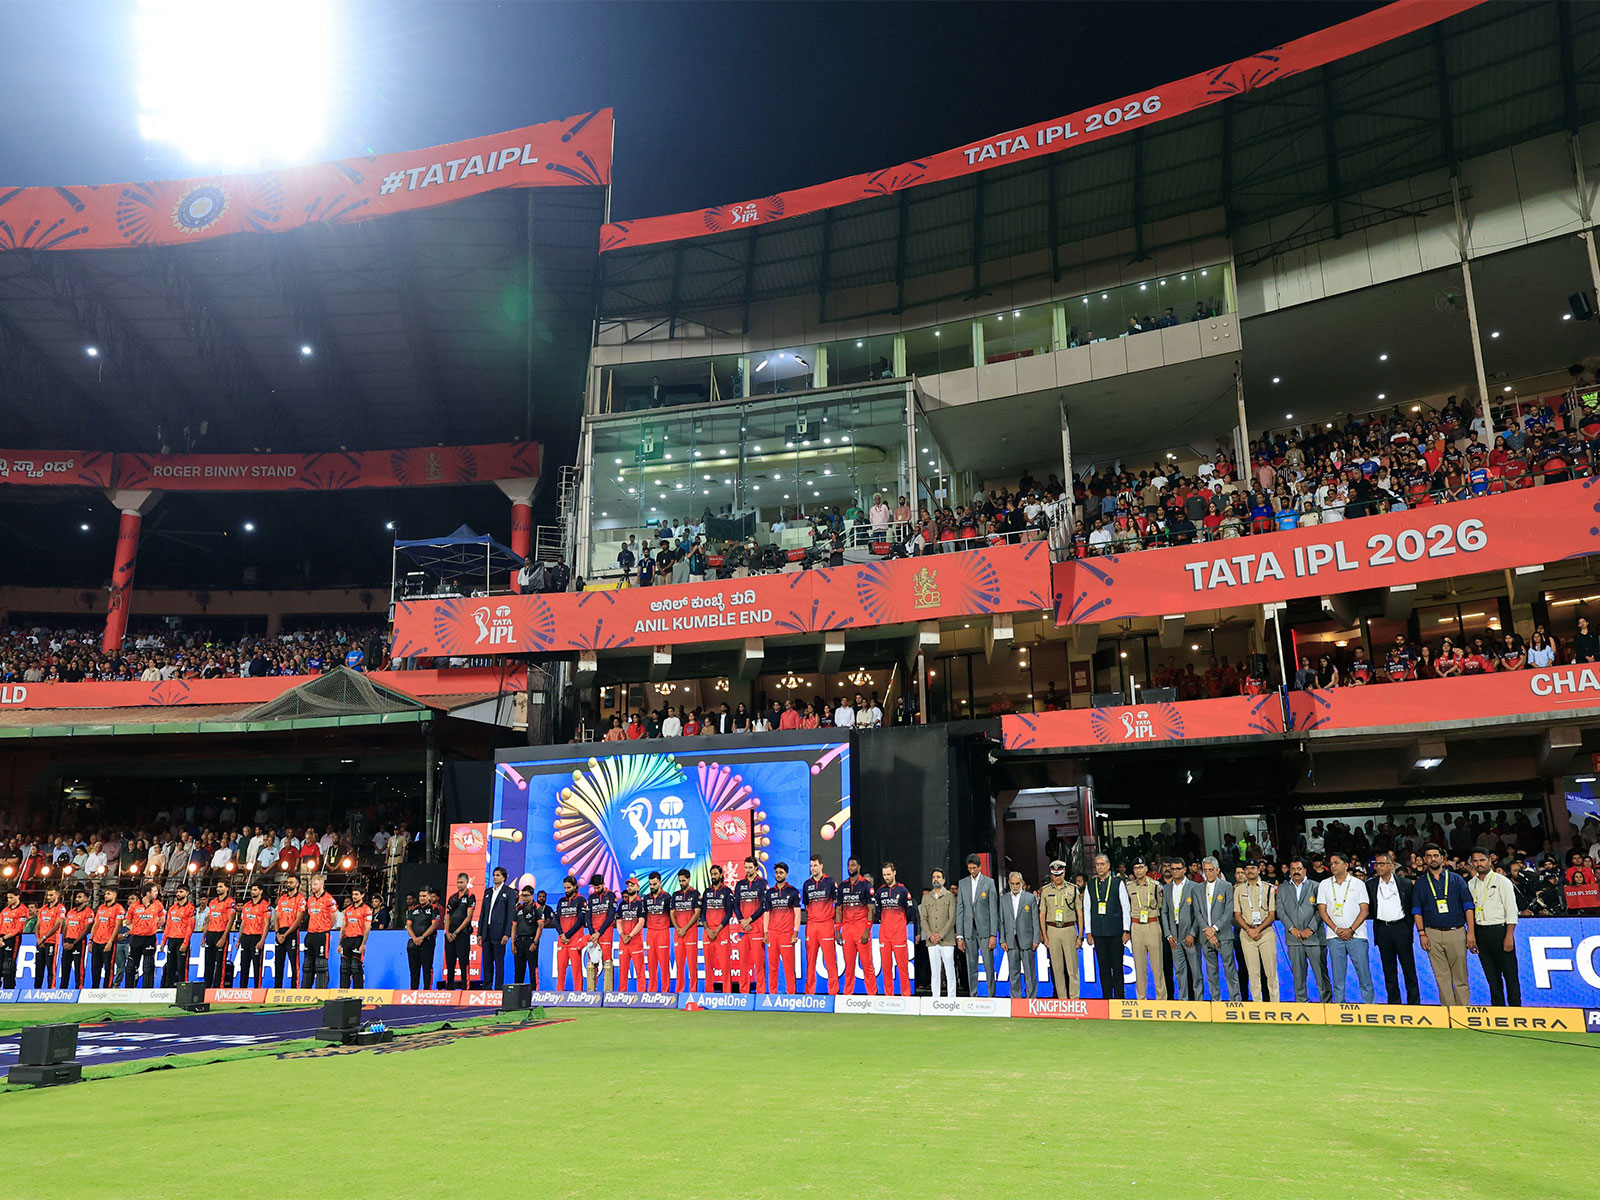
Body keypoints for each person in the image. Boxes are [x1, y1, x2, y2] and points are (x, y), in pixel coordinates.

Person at [1413, 842, 1476, 1005]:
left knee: (1460, 976)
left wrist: (1471, 933)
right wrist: (1421, 933)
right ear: (1424, 859)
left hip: (1456, 932)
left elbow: (1468, 907)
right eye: (1429, 856)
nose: (1433, 859)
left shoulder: (1456, 879)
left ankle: (1463, 1012)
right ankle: (1449, 1012)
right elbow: (1417, 910)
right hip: (1431, 933)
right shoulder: (1421, 882)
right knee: (1441, 977)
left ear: (1443, 858)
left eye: (1436, 856)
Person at [1317, 851, 1374, 1003]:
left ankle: (1370, 1007)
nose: (1333, 866)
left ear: (1346, 865)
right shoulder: (1324, 884)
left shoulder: (1358, 884)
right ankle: (1339, 1007)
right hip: (1334, 936)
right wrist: (1336, 929)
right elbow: (1322, 910)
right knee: (1338, 977)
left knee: (1364, 975)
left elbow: (1365, 910)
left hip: (1357, 935)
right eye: (1331, 863)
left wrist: (1351, 930)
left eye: (1336, 862)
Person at [1468, 848, 1520, 1006]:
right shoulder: (1471, 884)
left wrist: (1509, 936)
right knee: (1492, 977)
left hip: (1500, 931)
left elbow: (1511, 910)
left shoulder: (1502, 881)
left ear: (1490, 861)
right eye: (1475, 861)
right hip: (1481, 932)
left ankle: (1516, 1010)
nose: (1479, 864)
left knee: (1510, 976)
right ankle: (1498, 1010)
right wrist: (1472, 935)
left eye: (1482, 860)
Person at [1367, 851, 1419, 1004]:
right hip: (1383, 929)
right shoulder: (1370, 885)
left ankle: (1414, 1003)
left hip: (1401, 928)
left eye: (1381, 864)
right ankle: (1394, 1003)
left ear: (1391, 865)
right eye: (1376, 864)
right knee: (1389, 969)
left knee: (1408, 968)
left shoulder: (1405, 884)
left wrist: (1409, 928)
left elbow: (1411, 907)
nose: (1378, 867)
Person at [1278, 858, 1329, 1002]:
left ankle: (1326, 1004)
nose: (1296, 872)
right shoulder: (1282, 888)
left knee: (1321, 975)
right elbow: (1280, 911)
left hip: (1314, 938)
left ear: (1305, 870)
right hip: (1294, 939)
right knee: (1298, 976)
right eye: (1293, 869)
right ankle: (1301, 1004)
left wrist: (1310, 929)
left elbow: (1321, 910)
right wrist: (1292, 929)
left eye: (1299, 869)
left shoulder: (1316, 886)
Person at [1084, 853, 1131, 999]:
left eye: (1102, 864)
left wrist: (1126, 929)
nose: (1100, 867)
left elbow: (1125, 907)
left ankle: (1119, 996)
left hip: (1116, 931)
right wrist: (1089, 932)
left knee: (1117, 966)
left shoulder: (1117, 883)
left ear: (1109, 866)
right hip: (1098, 932)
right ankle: (1106, 997)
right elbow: (1087, 908)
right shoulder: (1090, 884)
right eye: (1097, 865)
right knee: (1103, 967)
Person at [955, 853, 1000, 997]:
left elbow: (993, 910)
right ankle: (973, 995)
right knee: (971, 965)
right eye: (970, 868)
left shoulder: (989, 883)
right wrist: (960, 935)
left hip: (985, 930)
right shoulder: (963, 883)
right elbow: (960, 910)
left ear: (980, 867)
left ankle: (991, 995)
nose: (972, 871)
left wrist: (993, 934)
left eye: (974, 868)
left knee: (988, 965)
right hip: (969, 930)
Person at [1233, 860, 1278, 1002]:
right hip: (1247, 934)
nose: (1250, 871)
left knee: (1271, 972)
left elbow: (1272, 915)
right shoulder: (1239, 890)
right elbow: (1237, 914)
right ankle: (1257, 1005)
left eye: (1253, 868)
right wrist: (1249, 930)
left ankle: (1275, 1005)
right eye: (1247, 868)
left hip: (1265, 932)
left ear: (1259, 870)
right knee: (1253, 973)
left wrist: (1258, 929)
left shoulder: (1268, 888)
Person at [1037, 858, 1082, 1000]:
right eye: (1054, 874)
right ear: (1051, 874)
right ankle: (1062, 999)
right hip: (1052, 929)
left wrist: (1080, 936)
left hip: (1069, 928)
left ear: (1064, 873)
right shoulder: (1045, 890)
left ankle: (1074, 999)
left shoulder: (1072, 889)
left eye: (1060, 874)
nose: (1057, 877)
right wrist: (1044, 935)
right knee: (1057, 968)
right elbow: (1042, 914)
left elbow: (1079, 913)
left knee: (1072, 968)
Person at [1196, 857, 1240, 1000]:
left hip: (1224, 935)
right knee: (1211, 972)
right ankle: (1216, 1001)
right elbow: (1197, 912)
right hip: (1205, 937)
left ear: (1218, 870)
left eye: (1211, 870)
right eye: (1205, 870)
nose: (1208, 873)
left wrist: (1214, 929)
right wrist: (1208, 932)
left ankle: (1235, 1000)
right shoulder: (1198, 888)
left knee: (1230, 970)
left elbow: (1228, 911)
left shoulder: (1226, 886)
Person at [1161, 857, 1203, 1000]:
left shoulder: (1195, 887)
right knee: (1179, 971)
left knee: (1196, 971)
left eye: (1178, 869)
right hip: (1174, 935)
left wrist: (1192, 933)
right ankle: (1183, 1000)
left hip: (1190, 935)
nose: (1175, 871)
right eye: (1172, 869)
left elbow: (1198, 913)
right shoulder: (1167, 888)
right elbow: (1164, 912)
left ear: (1184, 870)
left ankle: (1198, 1000)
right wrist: (1168, 935)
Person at [1124, 857, 1164, 1000]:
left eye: (1141, 867)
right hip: (1136, 926)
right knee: (1139, 966)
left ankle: (1161, 999)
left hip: (1152, 924)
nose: (1138, 871)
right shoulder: (1129, 887)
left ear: (1146, 868)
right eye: (1135, 868)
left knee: (1157, 966)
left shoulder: (1155, 886)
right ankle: (1141, 998)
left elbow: (1161, 906)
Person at [836, 857, 877, 995]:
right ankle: (847, 995)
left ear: (859, 867)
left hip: (861, 928)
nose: (850, 867)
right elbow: (839, 909)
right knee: (848, 965)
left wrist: (867, 930)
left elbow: (871, 910)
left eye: (853, 865)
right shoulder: (842, 886)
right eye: (849, 865)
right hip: (847, 929)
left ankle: (872, 995)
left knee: (867, 964)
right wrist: (838, 930)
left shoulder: (866, 885)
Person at [874, 862, 914, 996]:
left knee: (903, 967)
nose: (886, 877)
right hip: (884, 935)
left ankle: (906, 995)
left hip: (899, 935)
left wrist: (900, 924)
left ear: (894, 873)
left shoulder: (903, 891)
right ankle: (888, 996)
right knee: (886, 968)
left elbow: (910, 912)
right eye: (884, 875)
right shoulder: (880, 891)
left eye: (888, 874)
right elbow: (877, 911)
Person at [997, 871, 1040, 998]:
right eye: (1012, 884)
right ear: (1009, 883)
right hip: (1010, 940)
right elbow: (1001, 921)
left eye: (1017, 883)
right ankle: (1016, 999)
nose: (1015, 886)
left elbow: (1035, 920)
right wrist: (1002, 939)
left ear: (1022, 883)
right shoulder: (1003, 899)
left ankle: (1031, 998)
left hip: (1027, 940)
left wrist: (1036, 939)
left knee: (1029, 972)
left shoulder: (1030, 898)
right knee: (1013, 972)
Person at [763, 862, 802, 995]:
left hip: (787, 934)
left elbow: (797, 913)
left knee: (788, 967)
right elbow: (767, 913)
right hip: (773, 934)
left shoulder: (792, 891)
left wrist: (795, 932)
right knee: (773, 967)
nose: (778, 875)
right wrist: (765, 933)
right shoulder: (770, 892)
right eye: (777, 873)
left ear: (786, 874)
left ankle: (791, 994)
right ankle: (772, 994)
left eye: (781, 873)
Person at [801, 856, 838, 996]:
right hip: (812, 925)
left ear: (821, 866)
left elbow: (837, 903)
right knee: (810, 961)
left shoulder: (830, 882)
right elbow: (806, 905)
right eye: (811, 866)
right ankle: (809, 993)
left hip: (826, 924)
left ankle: (833, 992)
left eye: (815, 865)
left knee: (830, 961)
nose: (813, 868)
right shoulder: (806, 884)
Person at [919, 868, 957, 999]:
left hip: (947, 940)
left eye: (938, 877)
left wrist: (940, 935)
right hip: (931, 941)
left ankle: (951, 998)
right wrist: (930, 935)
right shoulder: (926, 897)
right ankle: (935, 998)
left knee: (949, 970)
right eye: (934, 877)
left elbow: (952, 918)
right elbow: (923, 918)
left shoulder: (950, 896)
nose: (936, 879)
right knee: (935, 971)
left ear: (944, 880)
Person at [733, 857, 768, 994]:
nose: (747, 870)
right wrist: (742, 920)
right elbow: (736, 905)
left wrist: (750, 919)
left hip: (756, 929)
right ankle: (744, 992)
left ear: (756, 868)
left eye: (750, 867)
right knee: (743, 964)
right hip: (743, 929)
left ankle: (760, 992)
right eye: (746, 867)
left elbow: (764, 905)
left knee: (759, 963)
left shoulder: (762, 883)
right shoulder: (740, 884)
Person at [479, 866, 515, 991]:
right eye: (494, 875)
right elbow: (483, 913)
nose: (495, 877)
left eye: (498, 875)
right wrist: (480, 933)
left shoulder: (509, 892)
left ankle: (499, 988)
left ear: (504, 877)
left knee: (499, 962)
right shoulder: (488, 892)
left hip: (499, 933)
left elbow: (510, 915)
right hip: (487, 932)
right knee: (487, 962)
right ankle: (487, 987)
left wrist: (507, 934)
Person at [700, 865, 735, 992]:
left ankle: (727, 992)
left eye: (715, 874)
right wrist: (708, 929)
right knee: (708, 965)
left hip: (722, 932)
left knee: (725, 965)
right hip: (708, 932)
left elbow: (729, 913)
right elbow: (702, 913)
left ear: (721, 875)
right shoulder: (707, 892)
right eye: (712, 874)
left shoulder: (727, 891)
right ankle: (708, 991)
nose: (713, 876)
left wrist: (717, 930)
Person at [613, 875, 648, 993]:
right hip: (624, 941)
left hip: (635, 941)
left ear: (638, 887)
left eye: (632, 885)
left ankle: (641, 993)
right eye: (628, 885)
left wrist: (630, 936)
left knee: (639, 969)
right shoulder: (622, 904)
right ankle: (622, 992)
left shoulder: (640, 903)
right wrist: (622, 934)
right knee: (623, 970)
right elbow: (618, 921)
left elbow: (641, 922)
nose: (629, 887)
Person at [303, 875, 338, 989]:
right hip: (310, 934)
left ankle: (321, 990)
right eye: (312, 884)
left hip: (322, 934)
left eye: (315, 884)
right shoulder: (310, 899)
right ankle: (305, 991)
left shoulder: (329, 899)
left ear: (322, 884)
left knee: (321, 964)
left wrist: (325, 928)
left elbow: (334, 918)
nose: (313, 887)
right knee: (308, 965)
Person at [669, 868, 701, 993]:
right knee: (679, 965)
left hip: (690, 933)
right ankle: (679, 991)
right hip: (678, 934)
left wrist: (685, 928)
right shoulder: (675, 895)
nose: (681, 883)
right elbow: (672, 913)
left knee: (692, 965)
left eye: (683, 880)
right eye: (680, 881)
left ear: (689, 879)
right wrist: (678, 928)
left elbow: (697, 913)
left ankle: (693, 991)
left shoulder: (695, 894)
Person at [442, 872, 476, 989]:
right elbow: (447, 916)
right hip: (450, 934)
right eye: (458, 882)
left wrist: (456, 932)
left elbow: (468, 917)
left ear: (467, 882)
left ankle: (465, 987)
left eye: (461, 882)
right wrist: (447, 932)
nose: (459, 884)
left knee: (463, 961)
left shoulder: (470, 896)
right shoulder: (453, 897)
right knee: (450, 962)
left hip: (462, 934)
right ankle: (449, 987)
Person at [585, 873, 618, 992]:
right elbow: (587, 916)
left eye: (598, 887)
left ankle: (608, 993)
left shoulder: (611, 895)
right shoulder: (591, 898)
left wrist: (599, 933)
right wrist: (592, 933)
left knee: (607, 963)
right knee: (591, 964)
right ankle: (591, 993)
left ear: (603, 884)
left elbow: (610, 916)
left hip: (605, 932)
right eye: (594, 888)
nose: (596, 890)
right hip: (593, 933)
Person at [159, 884, 196, 989]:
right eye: (178, 892)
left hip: (182, 940)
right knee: (170, 966)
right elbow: (168, 926)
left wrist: (185, 943)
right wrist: (163, 942)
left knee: (181, 967)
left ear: (187, 893)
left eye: (181, 892)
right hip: (171, 939)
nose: (178, 894)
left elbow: (190, 927)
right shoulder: (172, 908)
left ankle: (183, 988)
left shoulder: (190, 908)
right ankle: (169, 987)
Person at [641, 872, 673, 992]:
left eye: (654, 884)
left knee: (664, 963)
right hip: (650, 932)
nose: (652, 886)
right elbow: (644, 915)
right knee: (651, 963)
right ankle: (652, 990)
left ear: (660, 883)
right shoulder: (646, 898)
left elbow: (671, 914)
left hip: (663, 932)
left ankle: (665, 990)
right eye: (650, 884)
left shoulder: (667, 897)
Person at [405, 887, 442, 989]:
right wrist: (415, 938)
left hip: (427, 942)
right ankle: (413, 991)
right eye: (420, 896)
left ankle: (426, 991)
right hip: (414, 943)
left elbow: (434, 925)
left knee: (427, 968)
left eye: (424, 896)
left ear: (429, 897)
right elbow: (409, 925)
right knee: (414, 970)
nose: (422, 898)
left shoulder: (434, 909)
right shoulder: (414, 909)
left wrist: (422, 937)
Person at [90, 886, 126, 988]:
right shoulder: (101, 907)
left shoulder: (119, 909)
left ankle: (107, 989)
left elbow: (118, 926)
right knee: (95, 967)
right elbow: (95, 924)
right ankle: (94, 989)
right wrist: (91, 940)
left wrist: (110, 942)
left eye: (108, 894)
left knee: (108, 967)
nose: (105, 896)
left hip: (108, 942)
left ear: (114, 895)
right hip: (97, 941)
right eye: (105, 894)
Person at [274, 877, 307, 988]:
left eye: (291, 882)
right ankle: (277, 987)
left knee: (293, 962)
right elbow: (276, 917)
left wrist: (285, 934)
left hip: (292, 932)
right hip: (280, 932)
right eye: (287, 882)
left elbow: (298, 920)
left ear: (297, 884)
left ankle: (294, 987)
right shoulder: (282, 898)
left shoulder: (300, 899)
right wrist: (277, 933)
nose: (288, 884)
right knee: (278, 962)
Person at [202, 881, 235, 989]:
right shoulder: (212, 902)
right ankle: (207, 987)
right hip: (210, 933)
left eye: (221, 886)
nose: (218, 889)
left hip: (221, 933)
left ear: (227, 888)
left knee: (220, 963)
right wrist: (204, 936)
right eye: (217, 886)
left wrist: (223, 937)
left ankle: (218, 987)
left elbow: (230, 921)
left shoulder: (230, 902)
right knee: (208, 962)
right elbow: (209, 919)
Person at [339, 886, 373, 987]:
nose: (354, 896)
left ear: (362, 895)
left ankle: (358, 992)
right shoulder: (348, 909)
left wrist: (363, 944)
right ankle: (343, 992)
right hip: (347, 940)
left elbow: (367, 928)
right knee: (344, 968)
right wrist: (339, 944)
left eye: (357, 894)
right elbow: (343, 927)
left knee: (355, 966)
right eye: (353, 894)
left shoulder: (366, 909)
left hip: (358, 939)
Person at [33, 886, 65, 989]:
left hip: (52, 941)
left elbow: (57, 925)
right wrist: (38, 939)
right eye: (48, 895)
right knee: (38, 968)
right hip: (40, 942)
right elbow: (37, 925)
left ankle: (51, 990)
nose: (49, 897)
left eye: (51, 895)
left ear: (57, 895)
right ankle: (36, 990)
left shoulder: (60, 908)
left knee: (51, 967)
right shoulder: (43, 908)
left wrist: (44, 938)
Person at [60, 888, 93, 988]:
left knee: (79, 967)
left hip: (78, 942)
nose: (76, 899)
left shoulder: (89, 912)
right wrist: (64, 942)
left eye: (80, 897)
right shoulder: (71, 911)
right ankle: (63, 989)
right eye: (76, 897)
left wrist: (73, 943)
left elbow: (86, 929)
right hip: (67, 941)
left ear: (86, 899)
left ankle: (79, 988)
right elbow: (65, 927)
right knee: (64, 967)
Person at [0, 891, 25, 988]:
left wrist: (4, 938)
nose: (9, 900)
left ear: (18, 896)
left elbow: (18, 929)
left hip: (13, 939)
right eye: (8, 898)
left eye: (11, 897)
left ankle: (9, 988)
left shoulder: (22, 910)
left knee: (9, 964)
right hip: (1, 939)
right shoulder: (5, 910)